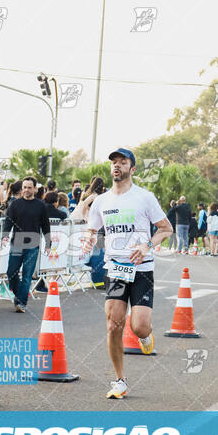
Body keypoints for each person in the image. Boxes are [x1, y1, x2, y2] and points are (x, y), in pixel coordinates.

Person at [83, 148, 172, 399]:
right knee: (113, 324)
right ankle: (119, 380)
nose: (117, 166)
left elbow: (166, 229)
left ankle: (145, 335)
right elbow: (92, 229)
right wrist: (89, 239)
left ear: (132, 169)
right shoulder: (101, 201)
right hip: (116, 269)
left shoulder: (144, 197)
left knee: (139, 326)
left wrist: (147, 245)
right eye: (114, 162)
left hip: (142, 268)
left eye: (123, 162)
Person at [3, 176, 51, 313]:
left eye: (29, 188)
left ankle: (21, 303)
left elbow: (46, 226)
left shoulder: (40, 205)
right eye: (24, 187)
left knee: (27, 275)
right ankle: (19, 295)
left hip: (33, 246)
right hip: (16, 243)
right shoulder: (15, 204)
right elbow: (8, 221)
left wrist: (48, 243)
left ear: (35, 189)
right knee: (11, 272)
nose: (26, 190)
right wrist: (5, 236)